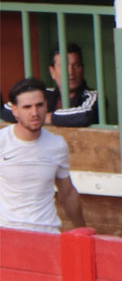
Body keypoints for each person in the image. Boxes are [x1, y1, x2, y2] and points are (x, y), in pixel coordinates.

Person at [0, 78, 85, 233]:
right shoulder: (2, 141)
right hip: (8, 236)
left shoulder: (57, 144)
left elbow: (67, 193)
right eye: (27, 107)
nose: (34, 113)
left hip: (48, 234)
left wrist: (83, 232)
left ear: (46, 105)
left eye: (39, 105)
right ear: (15, 110)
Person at [1, 43, 100, 127]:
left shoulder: (92, 96)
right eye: (64, 66)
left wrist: (46, 118)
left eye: (76, 65)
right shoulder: (44, 94)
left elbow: (86, 115)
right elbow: (7, 110)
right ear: (52, 71)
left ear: (82, 69)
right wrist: (41, 117)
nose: (71, 72)